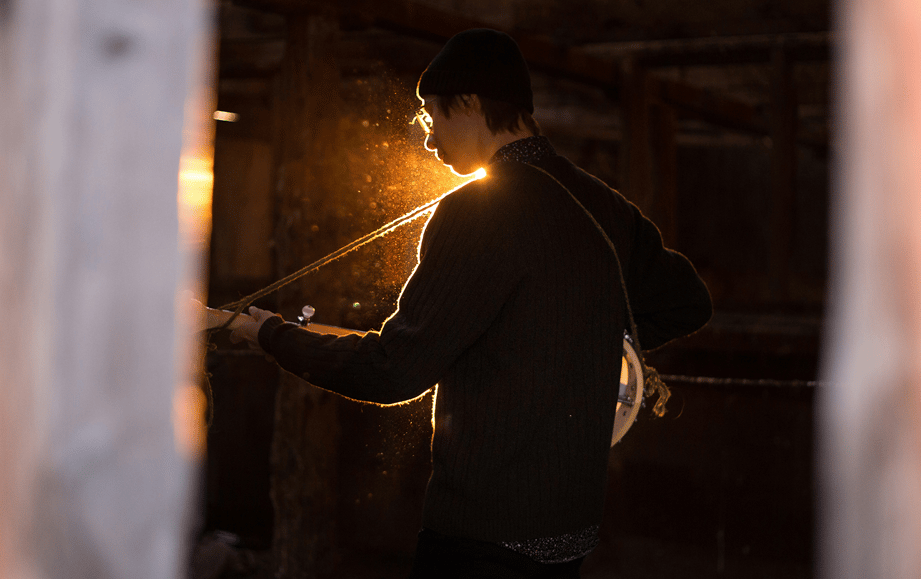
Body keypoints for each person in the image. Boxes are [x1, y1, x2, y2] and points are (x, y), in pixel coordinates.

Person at [232, 28, 712, 579]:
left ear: (469, 103)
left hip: (482, 543)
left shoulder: (475, 213)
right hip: (571, 533)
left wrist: (267, 334)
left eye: (432, 117)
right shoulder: (603, 204)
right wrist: (592, 338)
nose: (430, 141)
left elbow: (393, 372)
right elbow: (688, 303)